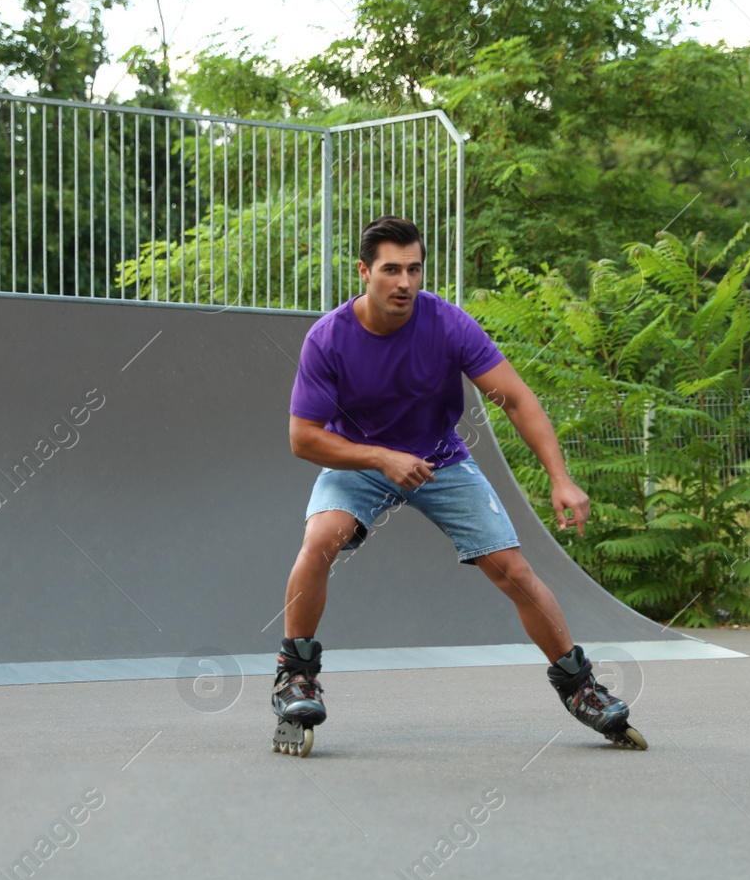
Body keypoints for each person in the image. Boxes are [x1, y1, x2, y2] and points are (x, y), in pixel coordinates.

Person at [269, 215, 645, 755]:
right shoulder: (328, 339)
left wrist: (561, 479)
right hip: (361, 462)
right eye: (391, 270)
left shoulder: (447, 324)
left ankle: (580, 687)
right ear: (364, 272)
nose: (404, 282)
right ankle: (295, 675)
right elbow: (303, 439)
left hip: (441, 461)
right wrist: (380, 457)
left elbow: (515, 397)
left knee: (512, 569)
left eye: (414, 269)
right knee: (320, 540)